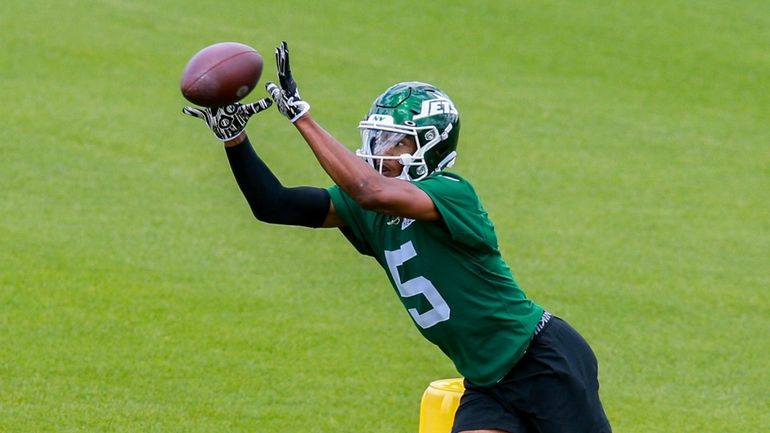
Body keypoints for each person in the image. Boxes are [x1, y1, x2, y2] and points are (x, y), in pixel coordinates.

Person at [182, 41, 612, 433]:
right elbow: (274, 205)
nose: (381, 148)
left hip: (543, 361)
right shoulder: (366, 210)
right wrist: (234, 139)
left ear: (431, 148)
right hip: (486, 380)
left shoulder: (451, 193)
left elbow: (371, 190)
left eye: (396, 141)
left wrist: (302, 118)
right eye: (380, 136)